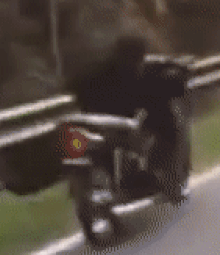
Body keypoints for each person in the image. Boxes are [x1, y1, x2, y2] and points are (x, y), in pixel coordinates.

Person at [65, 35, 188, 204]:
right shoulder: (145, 73)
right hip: (115, 126)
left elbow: (73, 85)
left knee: (163, 127)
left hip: (109, 125)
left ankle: (163, 179)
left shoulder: (99, 71)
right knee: (167, 127)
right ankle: (168, 182)